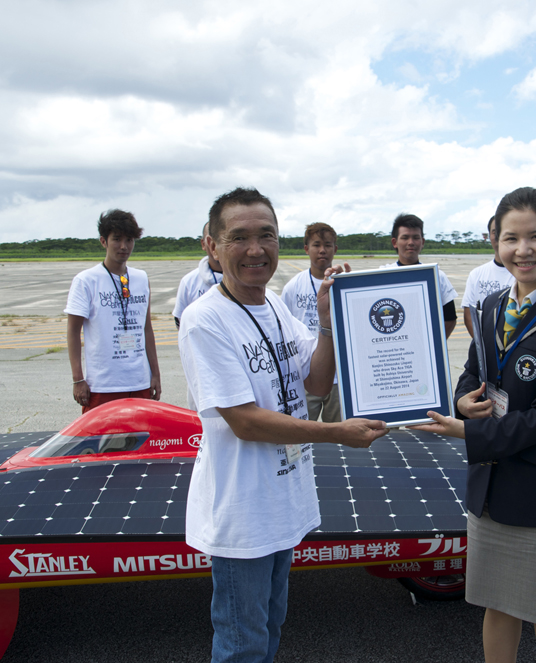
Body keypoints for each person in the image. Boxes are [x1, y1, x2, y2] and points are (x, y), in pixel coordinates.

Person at [178, 187, 388, 663]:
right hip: (242, 513)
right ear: (212, 245)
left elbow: (315, 379)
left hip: (281, 501)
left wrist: (328, 321)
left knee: (270, 627)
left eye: (266, 235)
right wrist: (337, 432)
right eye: (239, 237)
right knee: (241, 643)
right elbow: (246, 422)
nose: (256, 249)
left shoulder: (274, 305)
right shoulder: (204, 320)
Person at [412, 187, 536, 663]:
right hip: (490, 489)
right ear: (495, 243)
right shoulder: (492, 306)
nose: (523, 249)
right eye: (511, 238)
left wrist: (468, 433)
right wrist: (462, 400)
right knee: (496, 606)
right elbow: (474, 371)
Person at [65, 209, 161, 412]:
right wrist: (78, 379)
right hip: (103, 384)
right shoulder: (86, 280)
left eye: (129, 239)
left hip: (139, 382)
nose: (124, 246)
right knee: (103, 443)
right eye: (117, 239)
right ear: (103, 241)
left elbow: (146, 329)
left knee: (138, 441)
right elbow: (73, 331)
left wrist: (155, 374)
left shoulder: (141, 278)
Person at [280, 222, 342, 422]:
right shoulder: (292, 287)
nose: (322, 250)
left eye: (328, 245)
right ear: (306, 249)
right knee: (302, 431)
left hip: (339, 377)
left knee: (340, 436)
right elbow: (283, 330)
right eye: (316, 245)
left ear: (335, 249)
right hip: (305, 374)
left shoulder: (344, 284)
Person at [385, 213, 458, 338]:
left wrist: (434, 344)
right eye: (405, 237)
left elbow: (450, 318)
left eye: (416, 237)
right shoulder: (383, 275)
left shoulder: (437, 276)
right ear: (394, 242)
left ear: (422, 242)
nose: (411, 242)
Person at [462, 216, 514, 339]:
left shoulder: (524, 274)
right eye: (495, 232)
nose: (499, 236)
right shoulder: (476, 274)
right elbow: (469, 314)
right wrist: (482, 345)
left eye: (504, 231)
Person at [172, 221, 223, 329]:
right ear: (204, 244)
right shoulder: (189, 281)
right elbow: (180, 320)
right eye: (212, 240)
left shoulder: (246, 278)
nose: (216, 245)